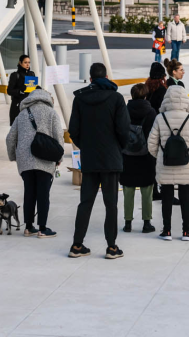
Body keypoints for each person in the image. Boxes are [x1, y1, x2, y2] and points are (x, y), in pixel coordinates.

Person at [68, 63, 131, 259]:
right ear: (106, 76)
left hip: (89, 158)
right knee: (110, 204)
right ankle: (112, 247)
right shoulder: (116, 98)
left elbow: (74, 131)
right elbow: (123, 130)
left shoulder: (80, 99)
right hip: (111, 159)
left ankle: (77, 245)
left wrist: (85, 146)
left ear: (90, 78)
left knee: (85, 203)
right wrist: (118, 148)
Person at [147, 85, 189, 241]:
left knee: (166, 198)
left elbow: (151, 143)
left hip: (165, 164)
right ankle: (186, 231)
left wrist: (160, 155)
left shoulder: (160, 118)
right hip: (185, 163)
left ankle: (167, 231)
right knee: (185, 197)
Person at [5, 87, 63, 238]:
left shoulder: (22, 114)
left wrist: (14, 156)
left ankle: (29, 227)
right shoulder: (51, 113)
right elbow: (59, 137)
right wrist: (59, 158)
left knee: (29, 192)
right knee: (43, 194)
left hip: (25, 160)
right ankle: (42, 228)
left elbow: (10, 138)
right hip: (45, 158)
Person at [122, 84, 157, 234]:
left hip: (127, 156)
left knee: (128, 190)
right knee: (146, 190)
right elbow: (154, 135)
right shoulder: (151, 112)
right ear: (145, 96)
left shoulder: (124, 111)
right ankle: (146, 223)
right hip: (146, 156)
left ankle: (128, 223)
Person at [6, 54, 36, 127]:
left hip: (30, 105)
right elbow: (9, 91)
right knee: (17, 129)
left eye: (29, 62)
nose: (27, 64)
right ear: (20, 63)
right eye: (25, 62)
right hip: (17, 106)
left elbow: (33, 88)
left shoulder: (31, 74)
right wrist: (20, 91)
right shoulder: (15, 75)